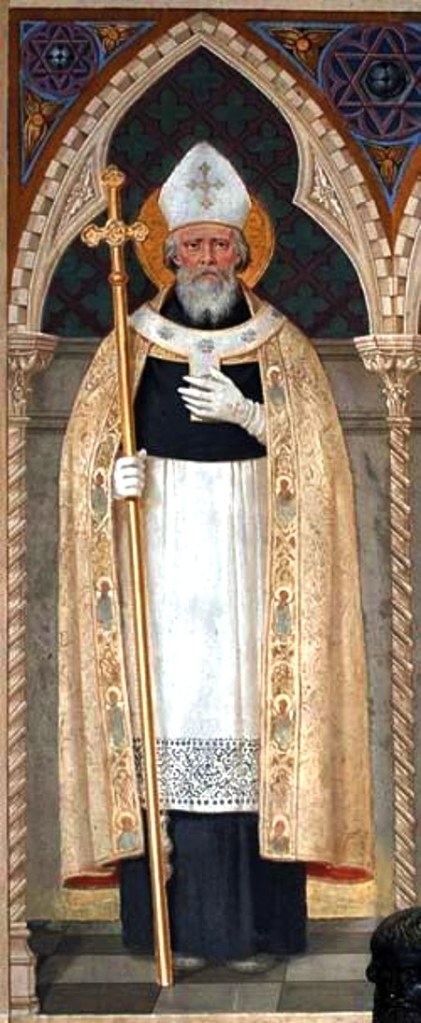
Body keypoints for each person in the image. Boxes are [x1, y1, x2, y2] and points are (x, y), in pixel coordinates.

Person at [59, 143, 373, 970]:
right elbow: (86, 459)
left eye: (220, 244)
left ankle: (260, 929)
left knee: (246, 714)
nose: (206, 258)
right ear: (168, 252)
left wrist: (251, 416)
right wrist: (112, 480)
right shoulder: (132, 341)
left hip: (251, 560)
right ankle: (164, 929)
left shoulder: (281, 345)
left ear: (243, 251)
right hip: (162, 560)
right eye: (192, 244)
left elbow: (317, 464)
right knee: (169, 719)